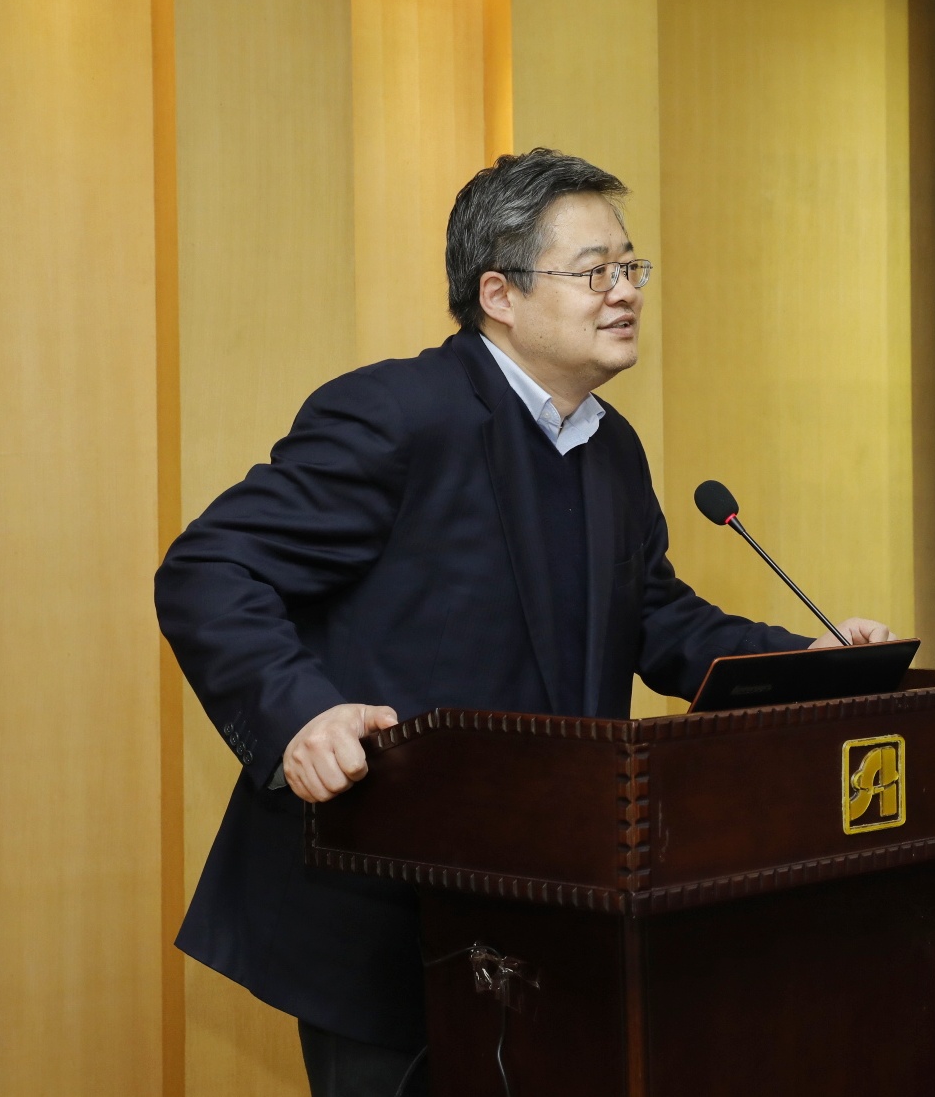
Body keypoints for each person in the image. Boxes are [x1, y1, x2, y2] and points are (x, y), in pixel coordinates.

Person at [155, 148, 893, 1097]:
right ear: (499, 294)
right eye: (595, 272)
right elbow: (211, 567)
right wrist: (300, 715)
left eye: (631, 266)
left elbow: (655, 615)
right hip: (383, 904)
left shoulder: (610, 445)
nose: (625, 291)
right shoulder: (398, 414)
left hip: (541, 900)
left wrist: (805, 660)